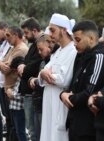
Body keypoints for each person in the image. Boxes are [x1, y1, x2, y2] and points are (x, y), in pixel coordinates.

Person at [60, 20, 104, 141]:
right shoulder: (82, 56)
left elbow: (89, 92)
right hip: (75, 122)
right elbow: (73, 85)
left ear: (91, 38)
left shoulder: (98, 57)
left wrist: (69, 98)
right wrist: (63, 94)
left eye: (78, 40)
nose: (75, 44)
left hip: (88, 126)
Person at [38, 13, 77, 141]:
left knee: (58, 135)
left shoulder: (73, 51)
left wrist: (47, 74)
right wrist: (43, 73)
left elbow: (64, 79)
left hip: (60, 103)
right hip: (49, 100)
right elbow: (43, 73)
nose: (50, 33)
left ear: (64, 30)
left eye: (53, 29)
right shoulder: (58, 51)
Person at [17, 17, 43, 141]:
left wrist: (24, 68)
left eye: (26, 33)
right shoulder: (33, 45)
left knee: (34, 132)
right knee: (31, 130)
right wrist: (22, 64)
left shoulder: (41, 43)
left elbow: (34, 66)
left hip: (33, 93)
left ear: (34, 30)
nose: (25, 36)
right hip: (28, 92)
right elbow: (25, 60)